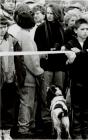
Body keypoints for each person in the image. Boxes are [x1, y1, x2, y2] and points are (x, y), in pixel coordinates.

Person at [12, 4, 44, 137]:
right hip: (28, 75)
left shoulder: (19, 34)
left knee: (27, 101)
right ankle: (24, 128)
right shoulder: (26, 36)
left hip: (23, 74)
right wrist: (39, 71)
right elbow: (30, 58)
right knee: (27, 102)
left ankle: (27, 126)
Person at [65, 18, 88, 139]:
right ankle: (77, 132)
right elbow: (70, 61)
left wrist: (80, 53)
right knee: (77, 108)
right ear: (75, 30)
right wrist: (86, 53)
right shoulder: (70, 43)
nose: (85, 31)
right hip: (76, 81)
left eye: (87, 29)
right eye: (82, 29)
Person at [0, 15, 25, 140]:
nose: (2, 30)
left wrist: (20, 78)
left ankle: (6, 131)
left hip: (9, 80)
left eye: (4, 27)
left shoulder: (13, 41)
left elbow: (20, 61)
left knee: (9, 107)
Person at [34, 3, 67, 90]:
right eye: (47, 13)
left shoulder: (61, 27)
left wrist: (63, 46)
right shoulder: (40, 28)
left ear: (57, 14)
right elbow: (37, 46)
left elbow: (65, 42)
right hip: (46, 65)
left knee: (59, 90)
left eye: (51, 13)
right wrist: (48, 50)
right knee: (46, 92)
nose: (49, 15)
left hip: (59, 64)